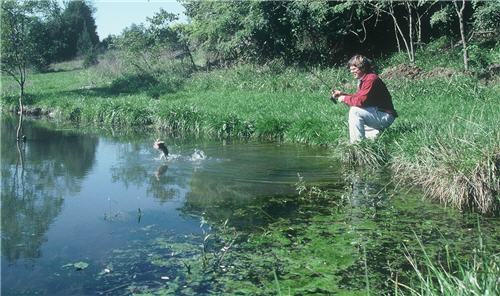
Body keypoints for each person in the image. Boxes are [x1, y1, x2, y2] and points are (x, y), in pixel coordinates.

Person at [331, 55, 397, 143]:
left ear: (362, 68)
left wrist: (343, 98)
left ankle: (356, 145)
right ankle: (374, 133)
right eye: (350, 69)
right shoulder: (366, 79)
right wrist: (343, 94)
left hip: (385, 116)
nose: (351, 71)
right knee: (355, 112)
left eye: (354, 69)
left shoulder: (371, 79)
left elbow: (359, 101)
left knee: (355, 111)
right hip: (379, 113)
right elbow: (361, 98)